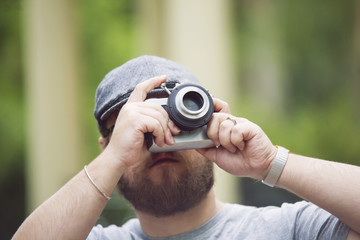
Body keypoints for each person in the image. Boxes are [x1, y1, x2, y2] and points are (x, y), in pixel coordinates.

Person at [13, 55, 360, 240]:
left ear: (207, 121)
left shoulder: (288, 230)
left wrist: (271, 163)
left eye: (178, 120)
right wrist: (114, 159)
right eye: (137, 129)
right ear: (107, 145)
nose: (160, 140)